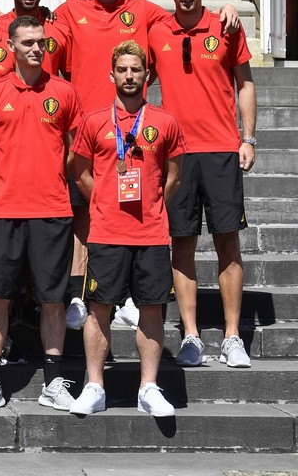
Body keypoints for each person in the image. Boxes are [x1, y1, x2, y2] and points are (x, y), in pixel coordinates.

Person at [54, 0, 238, 330]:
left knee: (136, 212)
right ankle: (79, 292)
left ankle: (130, 296)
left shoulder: (141, 9)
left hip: (137, 131)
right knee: (86, 216)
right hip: (90, 131)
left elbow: (185, 14)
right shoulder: (71, 11)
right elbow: (40, 44)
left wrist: (226, 10)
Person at [0, 15, 83, 412]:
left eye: (41, 42)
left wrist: (49, 175)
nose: (37, 48)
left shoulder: (65, 93)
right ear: (11, 46)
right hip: (3, 211)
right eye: (28, 42)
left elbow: (75, 151)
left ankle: (53, 381)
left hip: (52, 209)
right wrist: (3, 177)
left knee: (53, 299)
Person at [148, 0, 257, 368]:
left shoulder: (226, 26)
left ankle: (232, 337)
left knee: (228, 241)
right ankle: (191, 335)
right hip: (176, 153)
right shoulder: (156, 30)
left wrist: (247, 138)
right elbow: (135, 78)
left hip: (222, 149)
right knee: (183, 242)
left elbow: (245, 83)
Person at [70, 40, 185, 417]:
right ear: (111, 74)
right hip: (105, 233)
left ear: (147, 75)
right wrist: (103, 201)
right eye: (123, 69)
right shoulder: (94, 121)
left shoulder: (165, 121)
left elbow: (174, 177)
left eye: (136, 69)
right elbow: (82, 172)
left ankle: (148, 388)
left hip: (151, 233)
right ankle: (94, 386)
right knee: (98, 309)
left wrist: (150, 202)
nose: (130, 75)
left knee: (152, 309)